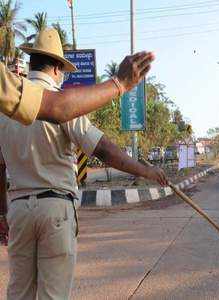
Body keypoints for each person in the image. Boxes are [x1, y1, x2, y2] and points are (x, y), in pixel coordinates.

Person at [0, 28, 168, 300]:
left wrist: (2, 213)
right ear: (56, 67)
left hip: (18, 210)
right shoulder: (62, 103)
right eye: (62, 69)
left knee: (19, 293)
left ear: (32, 64)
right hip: (55, 208)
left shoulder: (6, 106)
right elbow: (104, 150)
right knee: (53, 295)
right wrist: (147, 171)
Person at [0, 44, 154, 125]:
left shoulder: (7, 102)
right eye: (63, 72)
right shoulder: (69, 105)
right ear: (56, 68)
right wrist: (119, 84)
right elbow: (102, 148)